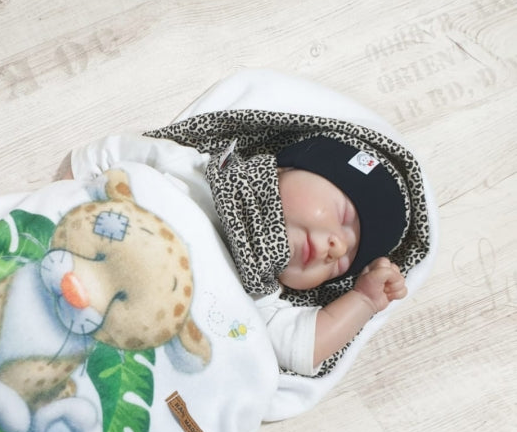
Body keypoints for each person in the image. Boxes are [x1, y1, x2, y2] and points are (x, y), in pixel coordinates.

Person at [63, 131, 412, 376]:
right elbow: (106, 155)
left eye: (343, 263)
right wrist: (64, 196)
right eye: (342, 215)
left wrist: (364, 300)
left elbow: (304, 347)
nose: (338, 247)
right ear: (285, 169)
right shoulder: (197, 173)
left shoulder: (259, 295)